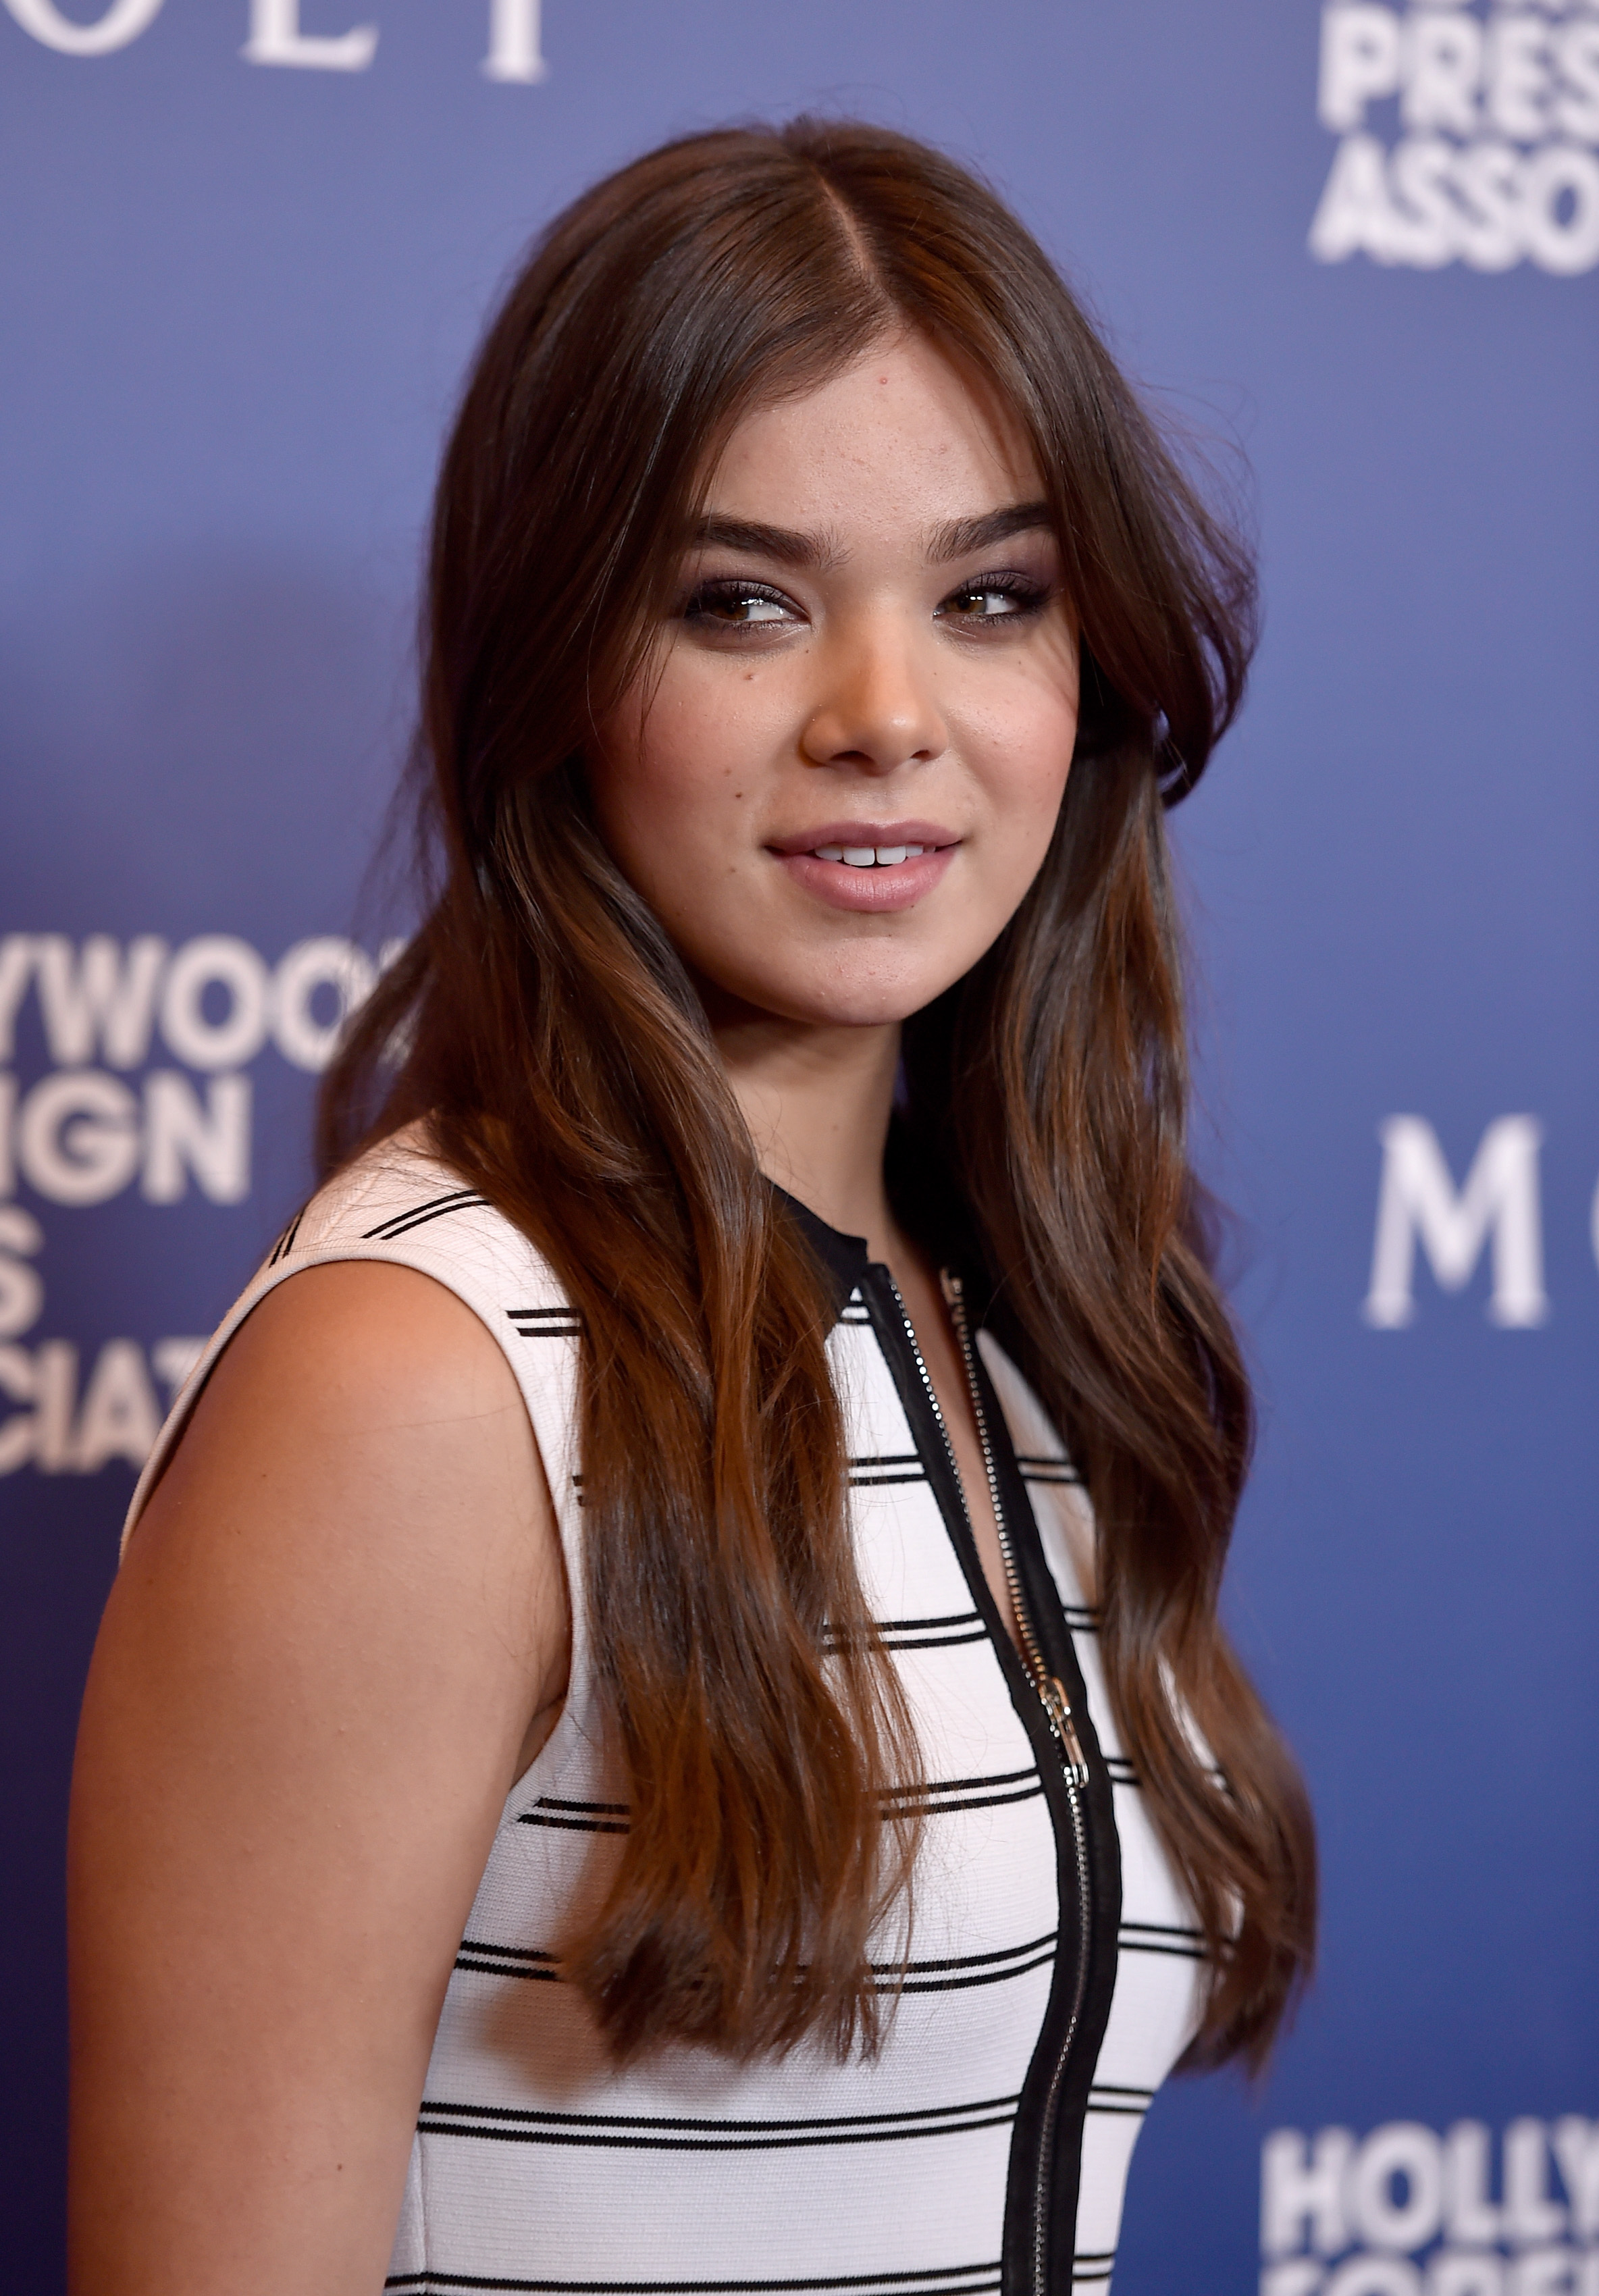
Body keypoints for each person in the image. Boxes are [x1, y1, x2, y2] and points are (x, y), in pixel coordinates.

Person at [67, 118, 1315, 2296]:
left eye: (991, 597)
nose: (885, 718)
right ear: (560, 661)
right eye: (742, 602)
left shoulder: (1025, 1315)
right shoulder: (420, 1379)